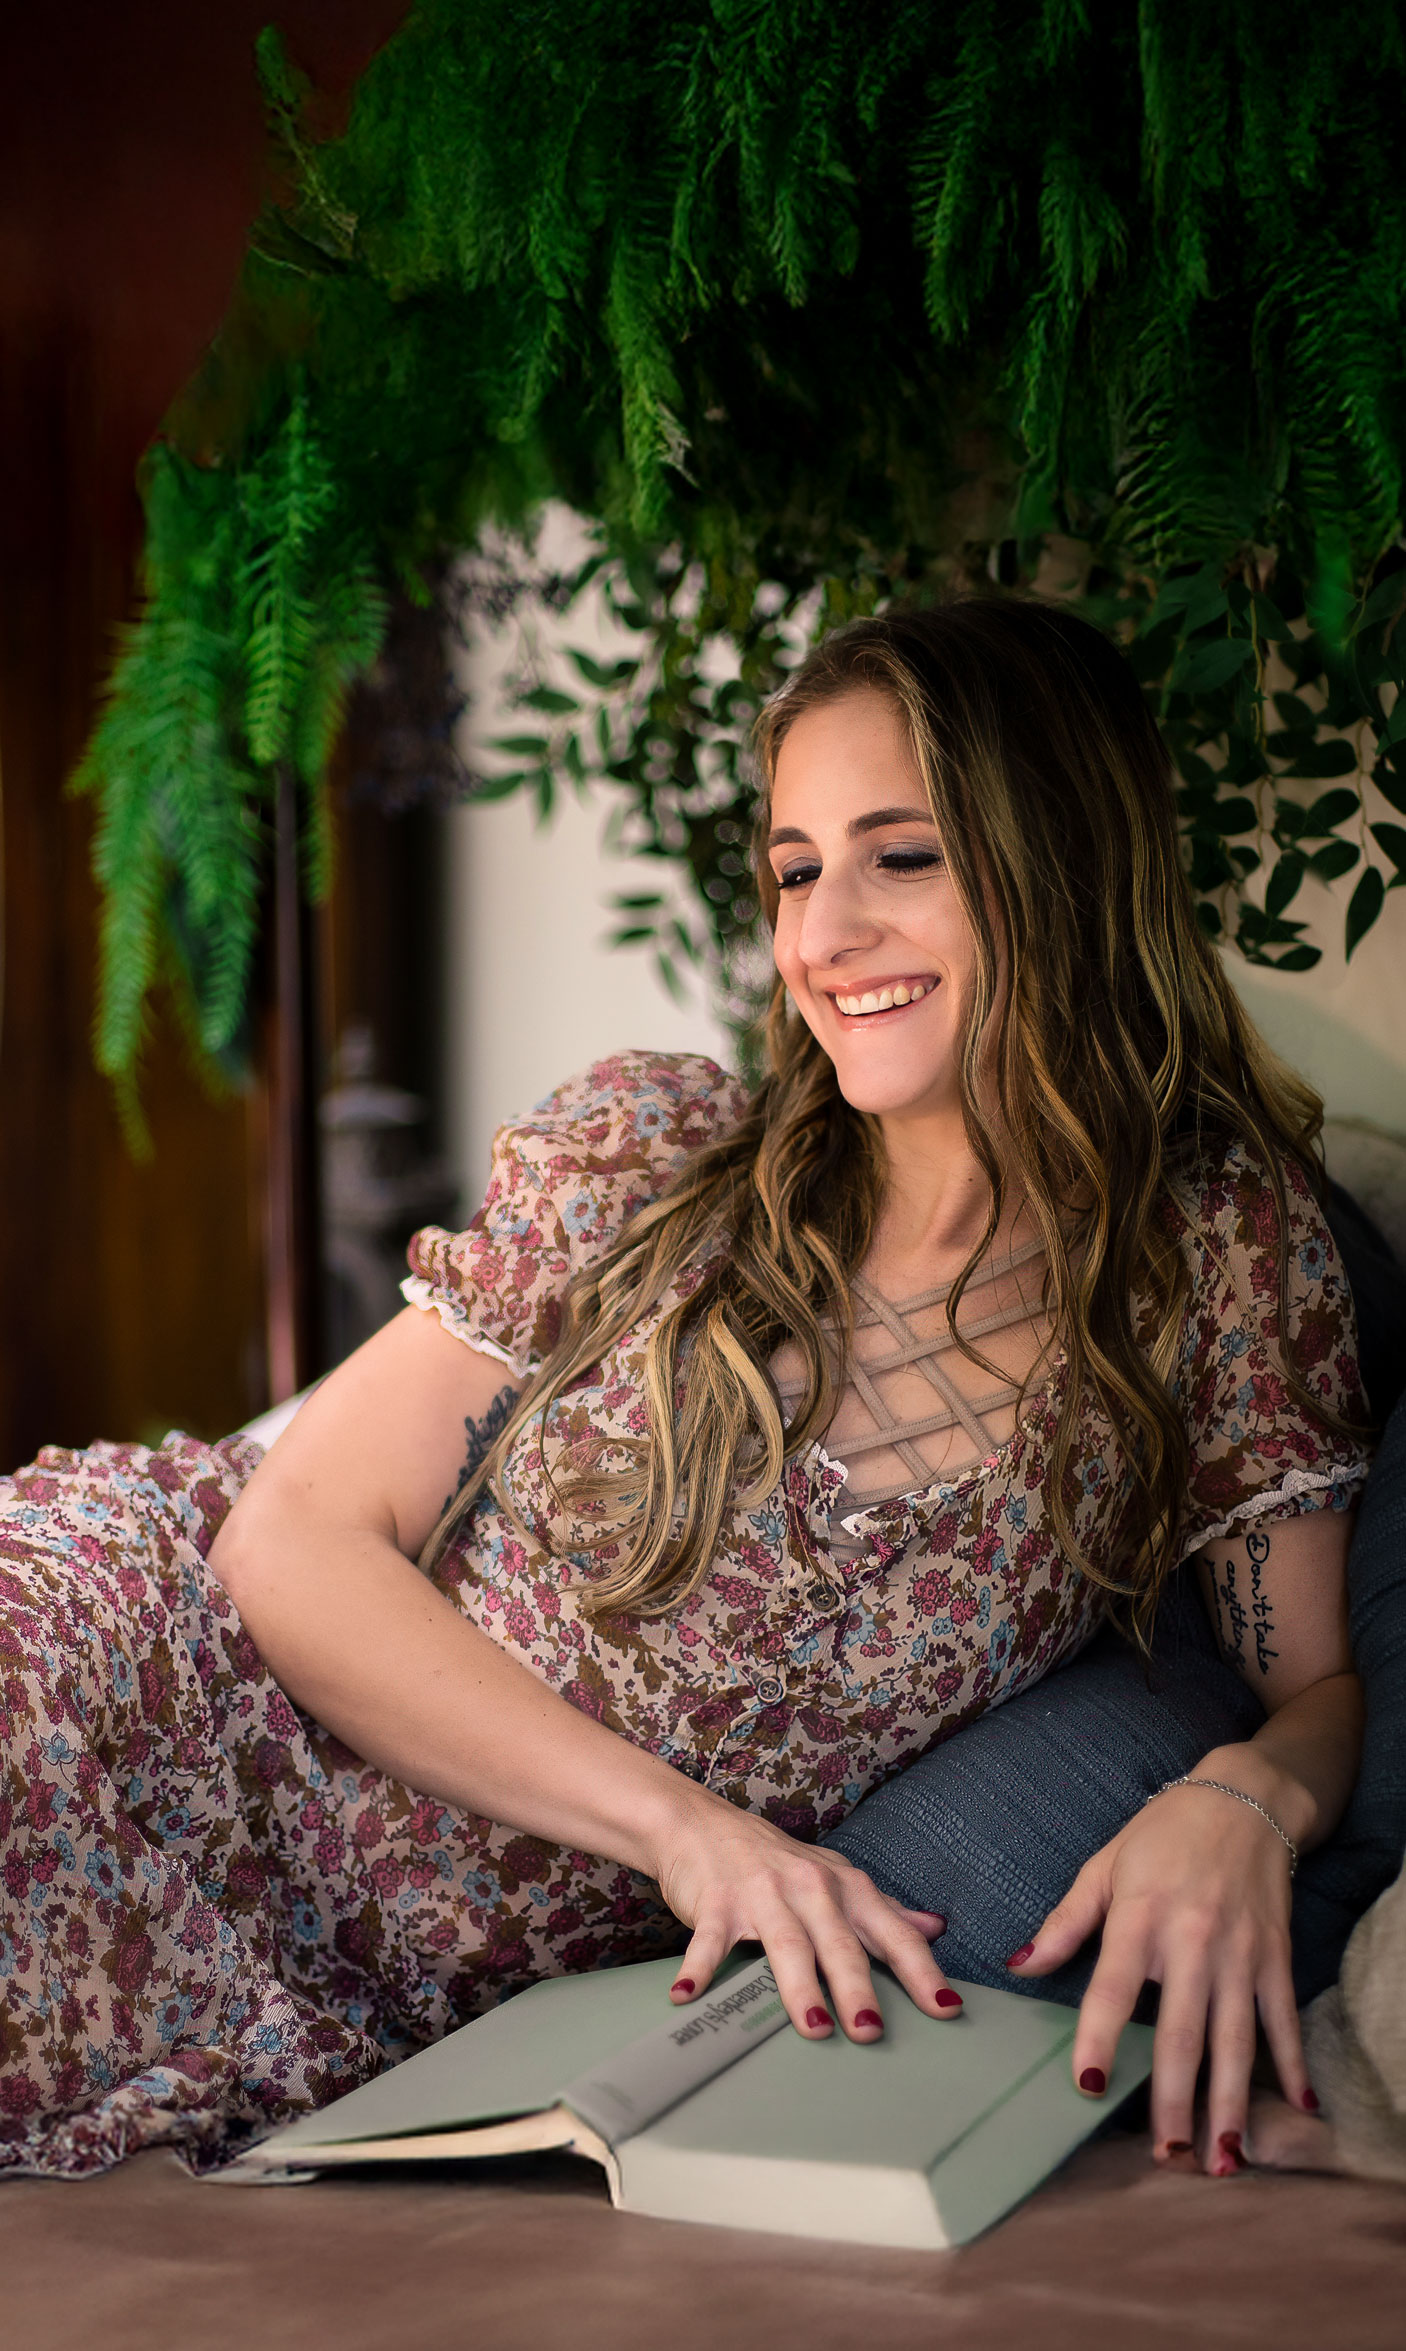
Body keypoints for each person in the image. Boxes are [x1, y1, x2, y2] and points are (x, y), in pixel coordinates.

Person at [0, 602, 1370, 2183]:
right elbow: (285, 1540)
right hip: (140, 1677)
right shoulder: (660, 1158)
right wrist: (690, 1835)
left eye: (898, 856)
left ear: (1058, 857)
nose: (823, 934)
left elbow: (1317, 1692)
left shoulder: (1218, 1267)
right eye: (794, 871)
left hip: (357, 1980)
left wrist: (1245, 1804)